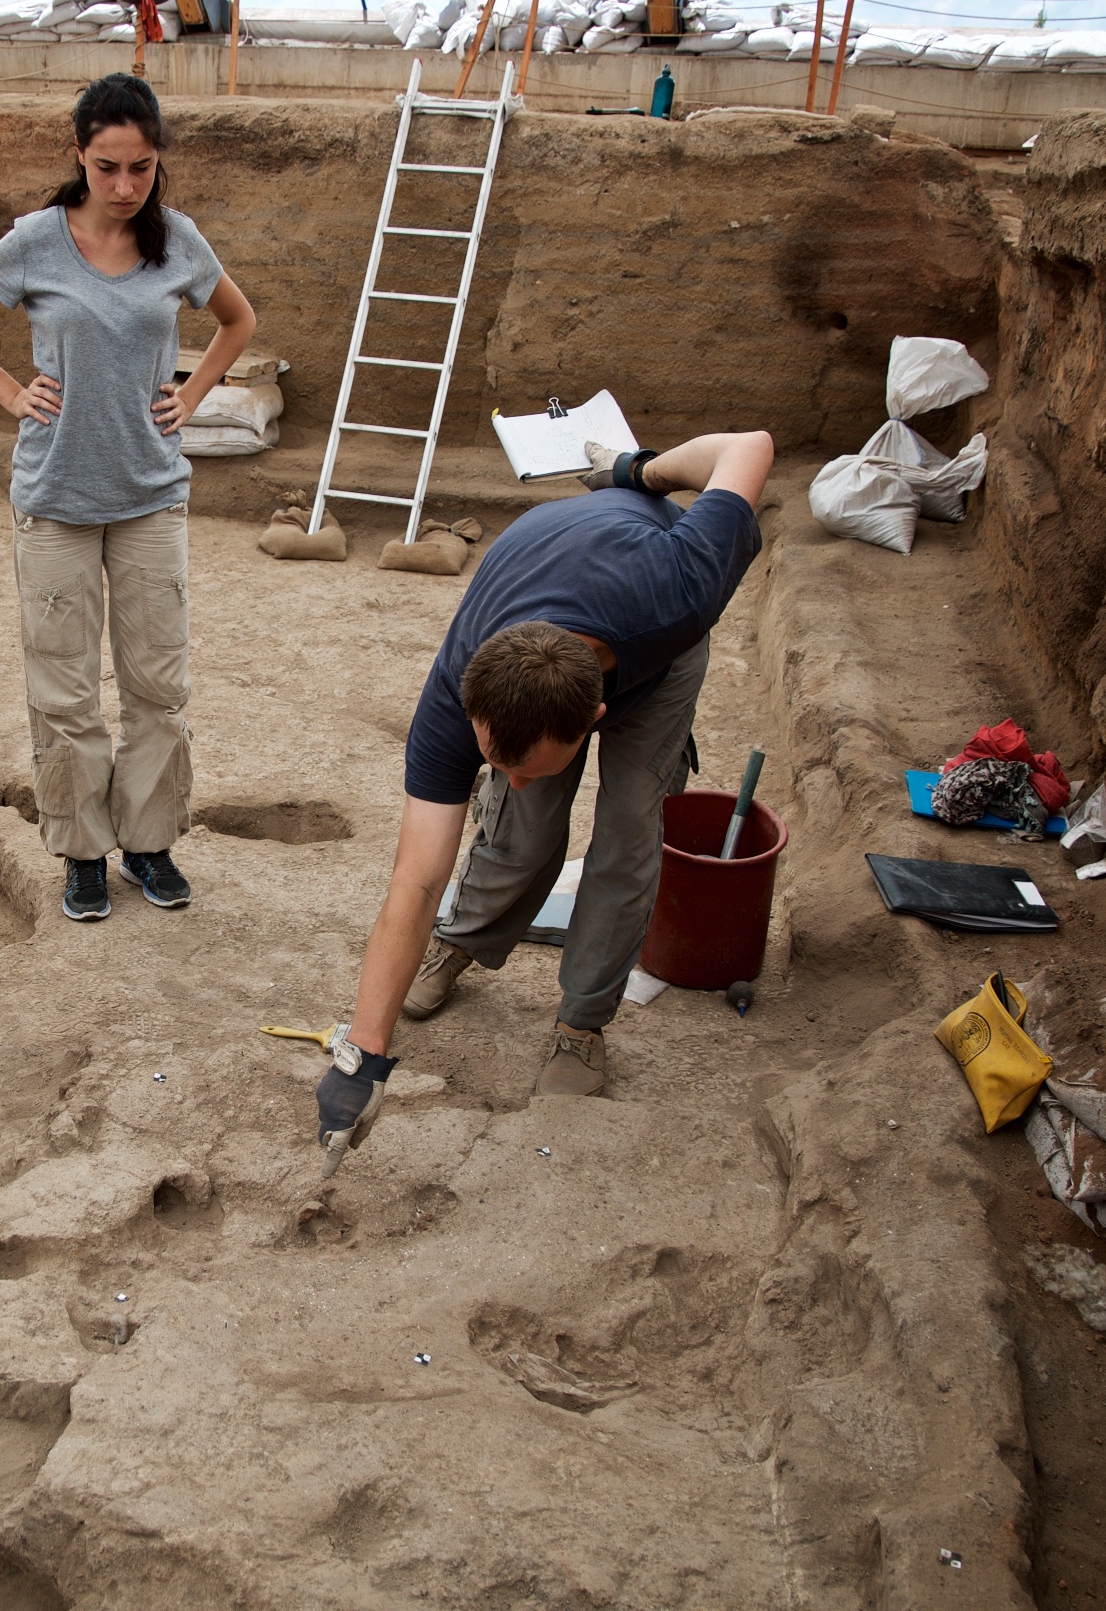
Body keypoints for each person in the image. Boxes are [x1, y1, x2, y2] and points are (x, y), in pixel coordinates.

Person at [311, 433, 775, 1170]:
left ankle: (583, 1024)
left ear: (594, 718)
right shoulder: (454, 696)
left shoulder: (682, 583)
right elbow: (416, 877)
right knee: (523, 822)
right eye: (497, 759)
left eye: (531, 763)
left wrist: (641, 472)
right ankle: (463, 941)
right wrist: (363, 1057)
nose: (510, 775)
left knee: (627, 830)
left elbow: (749, 446)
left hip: (653, 637)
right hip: (545, 564)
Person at [0, 73, 257, 924]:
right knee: (64, 688)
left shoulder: (177, 241)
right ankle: (80, 851)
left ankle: (149, 843)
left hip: (150, 496)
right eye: (107, 166)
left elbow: (237, 321)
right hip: (55, 495)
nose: (123, 185)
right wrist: (8, 393)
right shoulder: (35, 241)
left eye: (140, 167)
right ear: (79, 155)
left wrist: (193, 393)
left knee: (157, 684)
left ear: (156, 163)